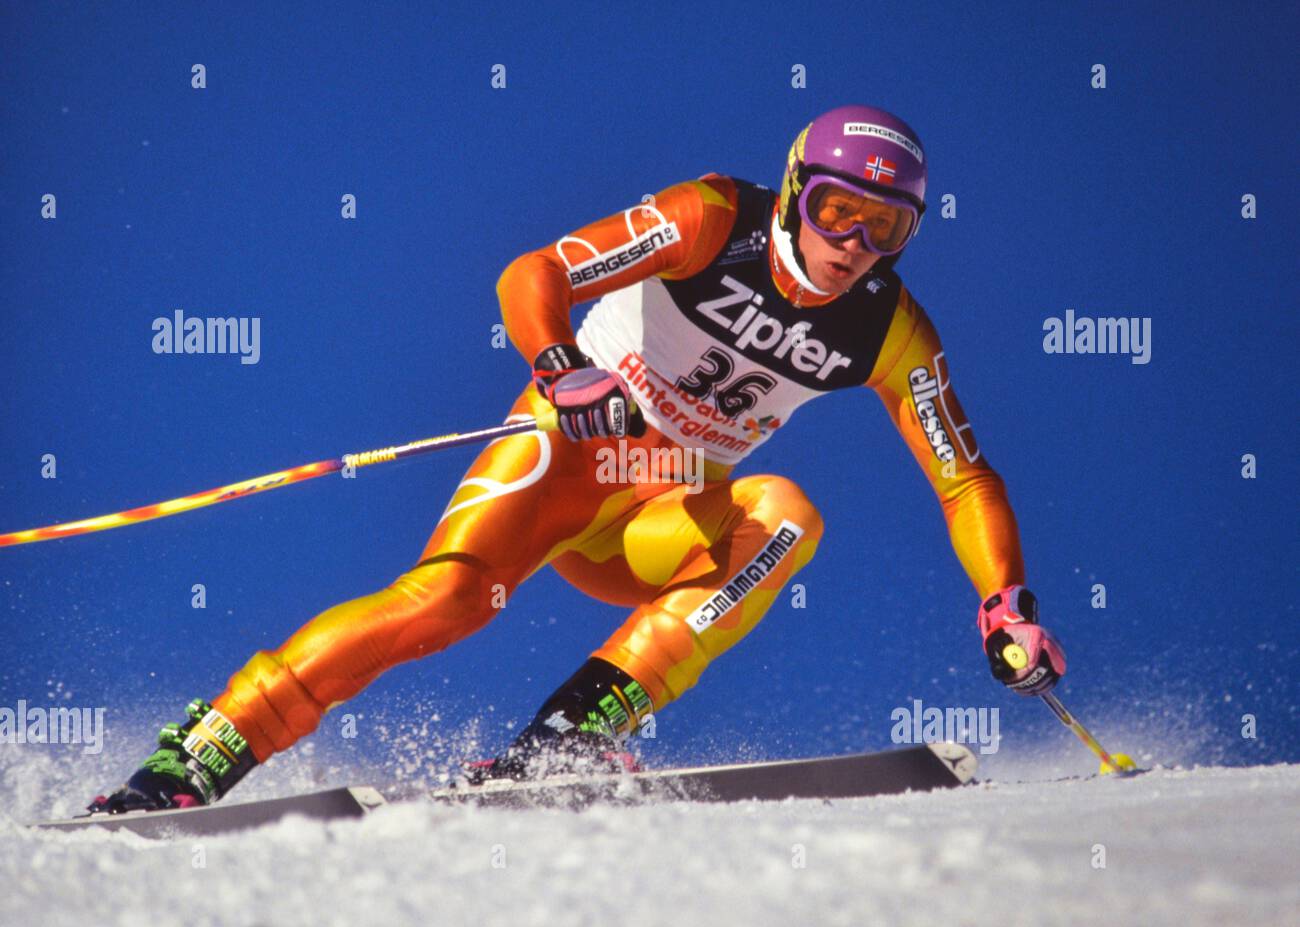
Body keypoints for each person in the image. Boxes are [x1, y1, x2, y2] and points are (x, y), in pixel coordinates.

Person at [89, 104, 1066, 813]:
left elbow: (964, 475)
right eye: (838, 210)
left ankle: (565, 737)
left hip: (656, 510)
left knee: (783, 518)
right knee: (448, 602)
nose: (854, 242)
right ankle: (196, 759)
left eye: (885, 227)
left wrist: (1003, 601)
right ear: (795, 193)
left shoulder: (887, 328)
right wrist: (560, 367)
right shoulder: (712, 219)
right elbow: (537, 270)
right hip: (567, 453)